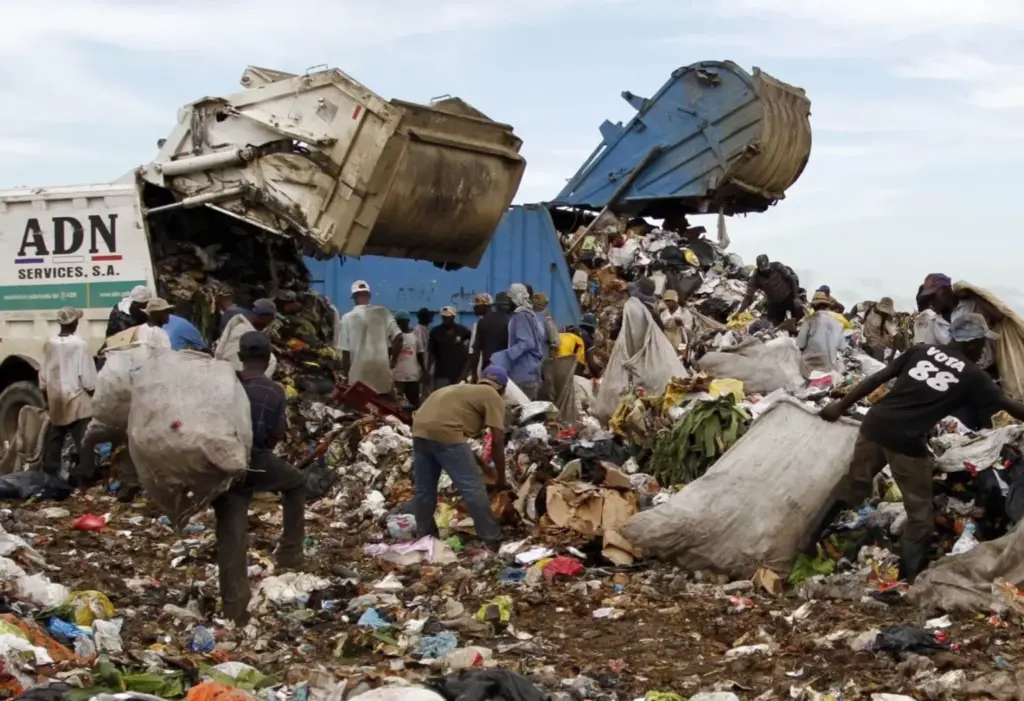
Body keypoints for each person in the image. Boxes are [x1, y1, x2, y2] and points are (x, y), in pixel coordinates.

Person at [817, 313, 1024, 582]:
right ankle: (905, 582)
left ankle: (807, 541)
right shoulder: (973, 375)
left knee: (851, 487)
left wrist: (839, 406)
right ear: (972, 343)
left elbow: (876, 378)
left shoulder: (921, 350)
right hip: (906, 442)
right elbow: (1011, 406)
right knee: (920, 518)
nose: (984, 349)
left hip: (875, 425)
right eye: (983, 343)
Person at [214, 331, 306, 624]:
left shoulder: (224, 386)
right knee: (297, 482)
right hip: (257, 461)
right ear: (268, 359)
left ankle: (234, 610)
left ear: (239, 357)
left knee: (231, 534)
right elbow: (276, 433)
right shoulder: (274, 390)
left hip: (223, 465)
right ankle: (290, 552)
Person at [411, 365, 507, 548]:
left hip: (420, 430)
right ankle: (491, 537)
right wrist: (500, 478)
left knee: (424, 489)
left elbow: (459, 443)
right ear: (502, 388)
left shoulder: (461, 390)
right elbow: (497, 440)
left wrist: (484, 466)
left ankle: (425, 536)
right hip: (447, 432)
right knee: (473, 487)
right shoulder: (492, 395)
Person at [40, 307, 96, 477]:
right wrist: (94, 394)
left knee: (55, 437)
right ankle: (84, 475)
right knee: (84, 440)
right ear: (73, 322)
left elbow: (43, 376)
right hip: (77, 399)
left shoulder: (49, 344)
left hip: (56, 397)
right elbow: (87, 378)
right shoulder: (80, 345)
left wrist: (46, 395)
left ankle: (50, 473)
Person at [338, 281, 401, 395]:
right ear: (369, 295)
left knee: (361, 411)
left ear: (353, 297)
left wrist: (346, 377)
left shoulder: (346, 318)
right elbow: (399, 337)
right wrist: (393, 361)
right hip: (382, 378)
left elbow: (345, 353)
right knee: (386, 410)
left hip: (359, 381)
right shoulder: (383, 312)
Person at [491, 283, 546, 400]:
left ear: (515, 299)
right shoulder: (532, 315)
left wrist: (504, 356)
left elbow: (526, 343)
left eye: (510, 298)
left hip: (523, 374)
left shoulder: (521, 316)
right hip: (533, 372)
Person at [215, 299, 279, 378]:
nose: (269, 323)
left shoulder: (239, 324)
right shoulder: (243, 332)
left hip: (222, 371)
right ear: (265, 316)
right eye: (270, 319)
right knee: (272, 360)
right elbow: (235, 364)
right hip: (231, 377)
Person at [736, 254, 803, 325]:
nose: (766, 272)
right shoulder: (755, 278)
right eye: (763, 270)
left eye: (767, 269)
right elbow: (748, 297)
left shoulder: (777, 266)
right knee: (771, 325)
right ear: (758, 267)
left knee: (800, 318)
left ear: (769, 263)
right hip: (775, 303)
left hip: (789, 296)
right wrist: (739, 312)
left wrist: (796, 297)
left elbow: (791, 279)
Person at [796, 290, 846, 373]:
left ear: (815, 306)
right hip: (829, 370)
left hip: (808, 369)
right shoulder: (838, 324)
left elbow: (800, 344)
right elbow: (842, 347)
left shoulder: (809, 321)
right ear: (826, 305)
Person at [466, 292, 511, 382]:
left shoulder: (482, 322)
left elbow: (476, 350)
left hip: (486, 367)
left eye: (476, 306)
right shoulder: (508, 320)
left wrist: (473, 373)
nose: (474, 308)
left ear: (486, 306)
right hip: (505, 367)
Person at [428, 306, 472, 391]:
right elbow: (431, 353)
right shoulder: (435, 332)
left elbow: (470, 350)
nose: (445, 320)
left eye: (448, 317)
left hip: (458, 373)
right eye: (444, 317)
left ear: (453, 317)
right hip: (441, 374)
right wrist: (428, 371)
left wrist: (466, 371)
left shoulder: (463, 331)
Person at [392, 310, 425, 407]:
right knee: (398, 403)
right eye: (398, 322)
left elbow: (420, 354)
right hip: (398, 376)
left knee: (414, 402)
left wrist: (423, 370)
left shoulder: (415, 336)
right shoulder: (394, 336)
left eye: (402, 321)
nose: (399, 324)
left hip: (412, 376)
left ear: (407, 321)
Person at [913, 273, 955, 346]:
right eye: (928, 298)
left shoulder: (968, 312)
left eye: (933, 296)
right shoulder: (933, 323)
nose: (931, 302)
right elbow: (929, 352)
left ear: (945, 290)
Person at [862, 297, 897, 361]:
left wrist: (892, 354)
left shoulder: (887, 319)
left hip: (878, 347)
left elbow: (897, 336)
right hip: (867, 343)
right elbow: (855, 308)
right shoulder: (869, 308)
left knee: (877, 367)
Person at [532, 292, 560, 358]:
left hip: (543, 352)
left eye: (542, 305)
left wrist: (552, 355)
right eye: (538, 305)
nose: (540, 307)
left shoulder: (547, 316)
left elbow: (553, 336)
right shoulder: (530, 313)